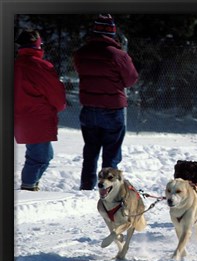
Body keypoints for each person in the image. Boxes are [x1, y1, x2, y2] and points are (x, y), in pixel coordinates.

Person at [73, 14, 139, 190]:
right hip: (113, 109)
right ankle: (109, 189)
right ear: (112, 33)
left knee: (90, 150)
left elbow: (81, 72)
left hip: (88, 108)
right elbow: (131, 79)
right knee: (111, 152)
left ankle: (86, 186)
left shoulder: (81, 53)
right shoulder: (119, 56)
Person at [14, 29, 66, 191]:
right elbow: (56, 95)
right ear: (38, 46)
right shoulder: (42, 67)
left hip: (20, 117)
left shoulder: (15, 65)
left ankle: (30, 185)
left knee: (42, 155)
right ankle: (28, 188)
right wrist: (58, 107)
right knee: (39, 158)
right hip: (38, 117)